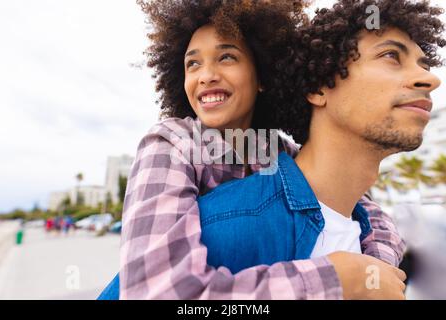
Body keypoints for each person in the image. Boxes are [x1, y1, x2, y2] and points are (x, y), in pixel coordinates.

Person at [112, 0, 409, 300]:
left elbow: (369, 212)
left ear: (263, 77)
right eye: (193, 64)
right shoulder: (172, 143)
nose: (206, 75)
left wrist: (375, 269)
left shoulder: (282, 153)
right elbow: (154, 293)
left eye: (226, 57)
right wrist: (333, 280)